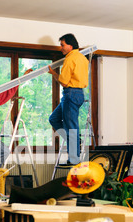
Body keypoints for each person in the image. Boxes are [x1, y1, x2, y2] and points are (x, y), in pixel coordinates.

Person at [48, 33, 89, 166]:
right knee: (53, 119)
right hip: (77, 94)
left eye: (62, 45)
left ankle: (74, 159)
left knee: (71, 128)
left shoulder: (70, 59)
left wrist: (54, 73)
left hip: (70, 93)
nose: (61, 48)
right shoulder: (83, 58)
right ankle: (75, 142)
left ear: (70, 45)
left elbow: (64, 82)